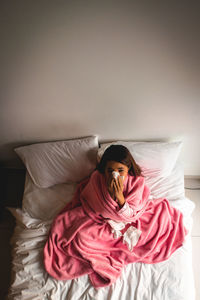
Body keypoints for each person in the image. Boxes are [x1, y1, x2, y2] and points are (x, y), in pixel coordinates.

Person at [43, 145, 187, 288]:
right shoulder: (97, 179)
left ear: (128, 170)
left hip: (129, 219)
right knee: (81, 239)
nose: (115, 174)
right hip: (100, 220)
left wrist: (119, 198)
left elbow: (132, 213)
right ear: (104, 170)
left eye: (120, 170)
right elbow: (92, 202)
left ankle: (116, 252)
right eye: (110, 170)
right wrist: (108, 200)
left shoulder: (135, 183)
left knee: (149, 232)